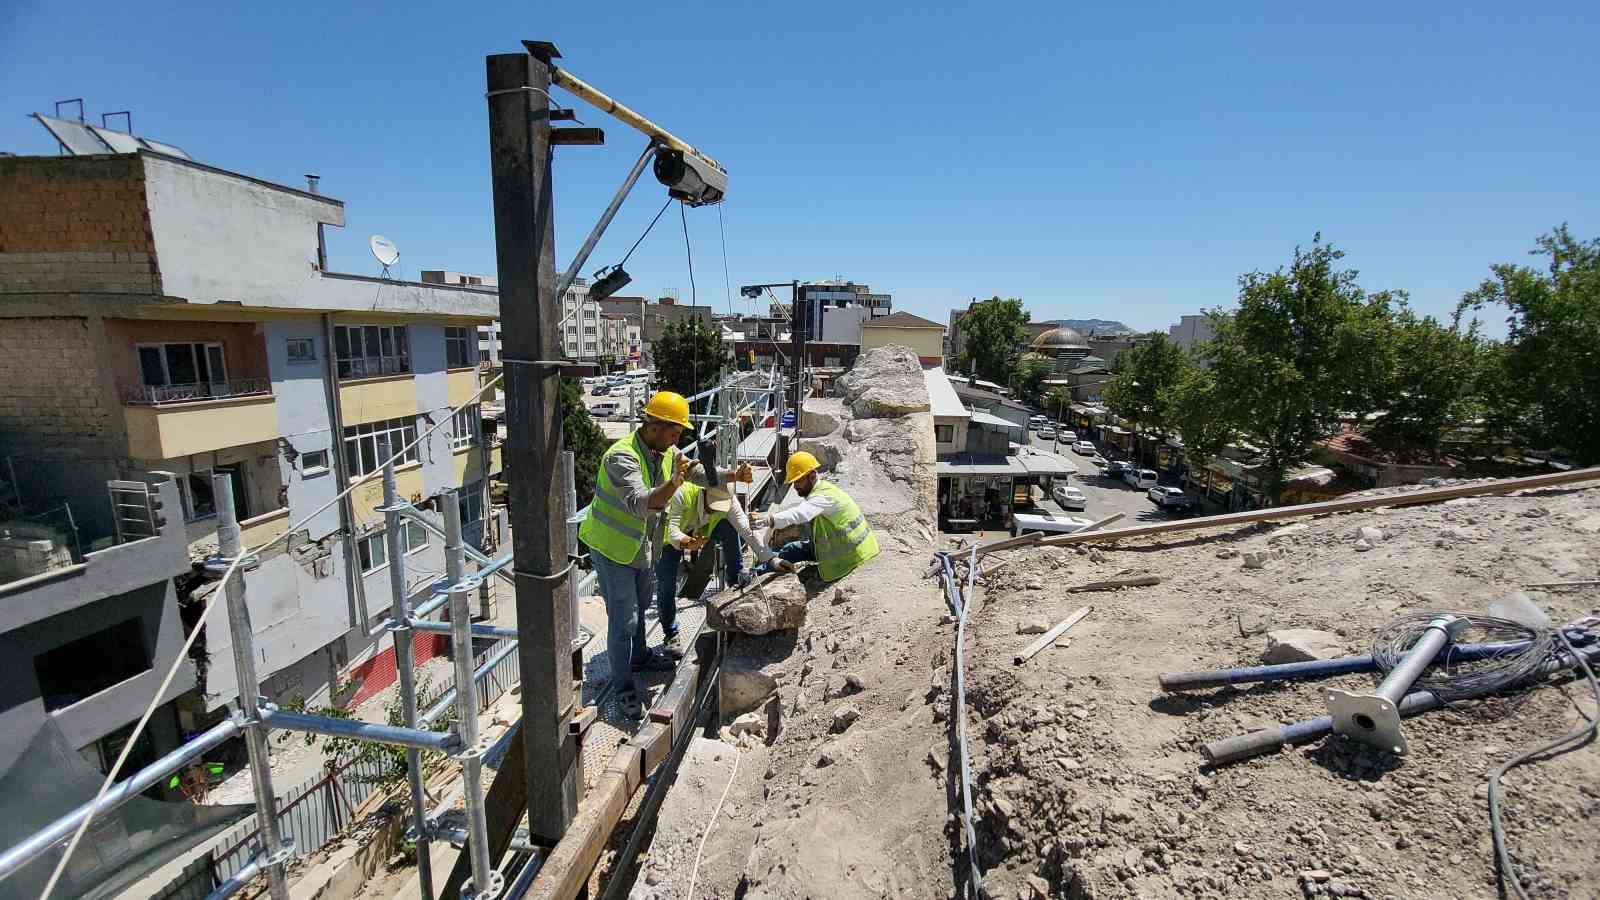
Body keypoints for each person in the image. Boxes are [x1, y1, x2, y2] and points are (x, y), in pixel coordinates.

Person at [579, 390, 750, 717]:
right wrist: (674, 483)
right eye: (675, 431)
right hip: (612, 548)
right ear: (655, 425)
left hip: (641, 547)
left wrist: (730, 475)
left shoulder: (665, 450)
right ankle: (624, 687)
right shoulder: (621, 457)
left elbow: (695, 473)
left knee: (643, 606)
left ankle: (640, 656)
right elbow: (644, 504)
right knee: (623, 620)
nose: (678, 438)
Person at [656, 480, 771, 655]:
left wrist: (772, 559)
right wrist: (688, 543)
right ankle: (671, 634)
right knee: (667, 584)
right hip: (673, 535)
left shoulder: (729, 500)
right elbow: (672, 531)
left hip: (700, 527)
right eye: (713, 507)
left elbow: (747, 531)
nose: (716, 510)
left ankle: (735, 584)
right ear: (704, 493)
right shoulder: (682, 493)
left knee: (729, 527)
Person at [750, 450, 879, 582]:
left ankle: (753, 577)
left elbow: (800, 513)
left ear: (811, 476)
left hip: (848, 554)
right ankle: (759, 572)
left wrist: (769, 519)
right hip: (846, 547)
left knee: (791, 550)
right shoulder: (821, 489)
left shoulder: (823, 497)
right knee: (791, 549)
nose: (795, 487)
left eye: (798, 481)